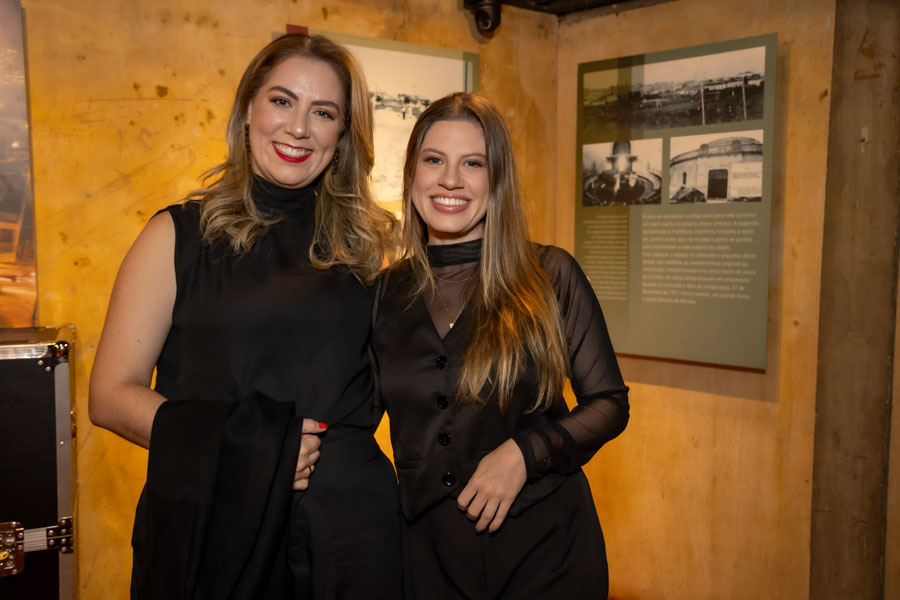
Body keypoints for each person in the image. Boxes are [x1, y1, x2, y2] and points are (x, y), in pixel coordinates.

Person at [89, 33, 402, 599]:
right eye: (282, 101)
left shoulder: (367, 251)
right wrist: (248, 449)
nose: (298, 127)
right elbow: (109, 396)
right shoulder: (178, 235)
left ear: (342, 134)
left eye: (323, 112)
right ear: (248, 110)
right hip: (219, 525)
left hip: (349, 534)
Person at [371, 92, 629, 599]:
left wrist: (526, 453)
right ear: (412, 174)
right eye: (434, 160)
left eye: (473, 163)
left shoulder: (549, 275)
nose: (451, 180)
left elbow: (608, 404)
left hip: (547, 553)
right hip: (430, 558)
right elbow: (353, 419)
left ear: (498, 179)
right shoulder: (383, 295)